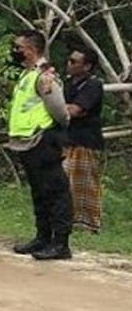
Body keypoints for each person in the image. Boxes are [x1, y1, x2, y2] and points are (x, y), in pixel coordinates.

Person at [5, 29, 72, 260]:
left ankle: (61, 243)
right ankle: (42, 237)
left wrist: (52, 130)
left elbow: (59, 110)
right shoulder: (28, 74)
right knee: (39, 192)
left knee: (55, 191)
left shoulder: (44, 75)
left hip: (43, 140)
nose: (15, 51)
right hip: (27, 142)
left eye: (19, 47)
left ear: (31, 50)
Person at [62, 45, 104, 234]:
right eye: (69, 60)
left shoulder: (93, 85)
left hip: (86, 140)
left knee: (85, 183)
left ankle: (89, 223)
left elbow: (76, 110)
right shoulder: (68, 83)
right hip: (68, 139)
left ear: (87, 66)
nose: (69, 64)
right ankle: (67, 218)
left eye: (73, 61)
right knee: (65, 182)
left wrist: (56, 108)